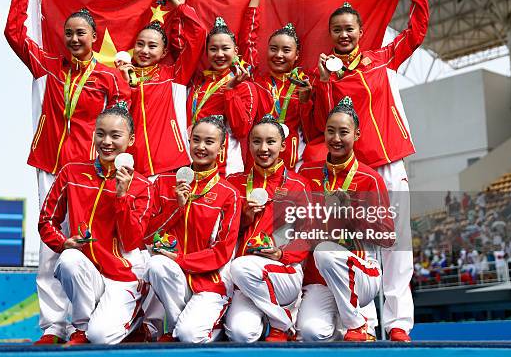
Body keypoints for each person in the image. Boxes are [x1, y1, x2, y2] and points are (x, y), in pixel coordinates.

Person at [5, 0, 131, 344]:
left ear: (94, 38)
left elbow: (125, 124)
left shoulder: (109, 77)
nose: (75, 38)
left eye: (82, 33)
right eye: (70, 33)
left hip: (91, 171)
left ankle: (88, 322)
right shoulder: (48, 66)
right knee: (50, 247)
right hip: (51, 165)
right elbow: (14, 34)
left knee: (94, 242)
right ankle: (53, 326)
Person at [308, 0, 428, 342]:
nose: (344, 34)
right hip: (352, 172)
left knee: (398, 245)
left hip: (389, 163)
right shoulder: (324, 74)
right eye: (337, 29)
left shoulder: (382, 59)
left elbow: (416, 33)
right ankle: (362, 322)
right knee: (357, 245)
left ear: (361, 32)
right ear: (331, 35)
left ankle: (397, 323)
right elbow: (321, 123)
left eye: (350, 28)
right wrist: (326, 83)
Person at [38, 104, 153, 344]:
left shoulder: (142, 185)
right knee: (68, 260)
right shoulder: (72, 173)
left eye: (115, 135)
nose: (107, 142)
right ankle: (80, 328)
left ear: (130, 140)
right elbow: (47, 221)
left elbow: (132, 240)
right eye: (100, 134)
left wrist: (122, 195)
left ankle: (135, 324)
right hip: (89, 271)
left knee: (101, 337)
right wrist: (63, 242)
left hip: (123, 275)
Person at [296, 97, 394, 342]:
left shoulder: (369, 179)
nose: (336, 138)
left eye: (344, 132)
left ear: (357, 134)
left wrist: (353, 215)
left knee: (326, 252)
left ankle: (356, 323)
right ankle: (347, 325)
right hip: (320, 278)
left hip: (362, 273)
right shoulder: (307, 173)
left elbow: (387, 236)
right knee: (311, 332)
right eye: (331, 131)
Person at [143, 116, 241, 343]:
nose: (201, 147)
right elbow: (146, 236)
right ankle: (181, 327)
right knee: (156, 264)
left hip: (210, 281)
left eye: (209, 141)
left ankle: (200, 329)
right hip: (176, 278)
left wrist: (181, 259)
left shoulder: (229, 194)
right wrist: (175, 207)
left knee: (189, 335)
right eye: (196, 140)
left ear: (221, 147)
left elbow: (222, 252)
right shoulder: (164, 182)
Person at [224, 115, 312, 342]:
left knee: (241, 266)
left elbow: (307, 237)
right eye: (256, 141)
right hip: (244, 278)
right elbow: (221, 232)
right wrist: (244, 218)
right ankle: (277, 318)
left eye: (271, 142)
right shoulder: (235, 183)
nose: (263, 148)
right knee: (241, 334)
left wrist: (282, 253)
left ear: (283, 145)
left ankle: (281, 324)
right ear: (248, 144)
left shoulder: (298, 185)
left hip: (284, 271)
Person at [118, 0, 206, 179]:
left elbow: (198, 33)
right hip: (132, 167)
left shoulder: (174, 75)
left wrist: (178, 4)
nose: (145, 50)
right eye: (140, 44)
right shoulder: (121, 76)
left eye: (152, 46)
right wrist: (124, 83)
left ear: (164, 51)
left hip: (171, 164)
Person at [239, 0, 314, 171]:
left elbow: (312, 130)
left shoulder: (303, 85)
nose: (279, 55)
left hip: (291, 164)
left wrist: (306, 102)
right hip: (256, 160)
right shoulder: (254, 79)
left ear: (297, 55)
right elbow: (248, 41)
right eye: (273, 49)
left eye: (286, 50)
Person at [187, 17, 257, 175]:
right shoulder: (198, 83)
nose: (219, 54)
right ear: (206, 52)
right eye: (213, 49)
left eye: (225, 48)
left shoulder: (245, 86)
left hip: (225, 165)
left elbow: (242, 129)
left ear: (236, 51)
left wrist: (230, 90)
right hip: (191, 157)